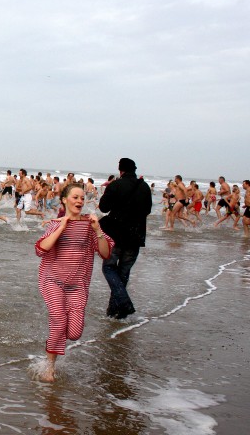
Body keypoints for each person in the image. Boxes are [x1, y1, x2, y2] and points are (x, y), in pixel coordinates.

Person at [35, 183, 113, 383]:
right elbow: (41, 249)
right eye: (75, 197)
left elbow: (105, 253)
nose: (79, 201)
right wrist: (62, 226)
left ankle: (54, 347)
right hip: (53, 280)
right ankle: (49, 367)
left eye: (82, 198)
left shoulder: (90, 225)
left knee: (75, 332)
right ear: (64, 200)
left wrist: (97, 230)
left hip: (77, 284)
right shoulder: (55, 223)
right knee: (59, 322)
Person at [98, 158, 152, 320]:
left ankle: (124, 302)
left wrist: (109, 190)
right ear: (134, 170)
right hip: (136, 236)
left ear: (120, 170)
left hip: (116, 235)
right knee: (123, 272)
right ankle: (115, 311)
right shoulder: (144, 187)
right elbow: (147, 210)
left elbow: (103, 207)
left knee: (108, 268)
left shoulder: (115, 185)